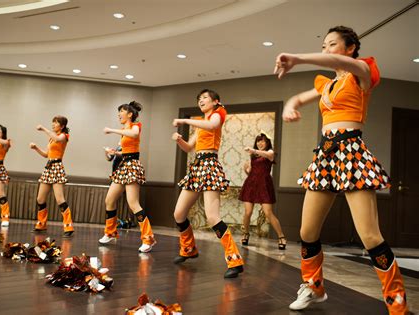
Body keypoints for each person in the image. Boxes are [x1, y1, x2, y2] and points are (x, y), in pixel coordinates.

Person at [274, 26, 408, 313]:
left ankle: (397, 304)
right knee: (307, 232)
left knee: (370, 236)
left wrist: (298, 58)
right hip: (325, 156)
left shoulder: (362, 72)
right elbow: (298, 98)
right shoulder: (327, 84)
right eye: (323, 45)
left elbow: (342, 64)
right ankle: (314, 287)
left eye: (331, 44)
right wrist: (289, 105)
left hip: (351, 154)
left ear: (350, 48)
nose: (326, 50)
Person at [171, 89, 244, 278]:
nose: (201, 101)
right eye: (199, 99)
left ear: (216, 101)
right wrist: (179, 140)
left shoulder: (219, 113)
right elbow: (189, 148)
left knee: (212, 217)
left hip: (210, 165)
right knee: (179, 214)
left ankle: (235, 260)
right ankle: (188, 249)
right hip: (197, 166)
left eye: (205, 98)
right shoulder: (200, 124)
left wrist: (185, 121)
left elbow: (212, 126)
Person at [98, 101, 156, 253]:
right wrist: (112, 152)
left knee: (133, 203)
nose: (119, 114)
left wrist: (112, 130)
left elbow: (135, 134)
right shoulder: (124, 131)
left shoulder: (136, 126)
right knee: (109, 200)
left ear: (130, 114)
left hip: (132, 166)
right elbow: (126, 151)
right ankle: (110, 232)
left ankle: (148, 239)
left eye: (121, 111)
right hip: (123, 166)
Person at [239, 132, 286, 249]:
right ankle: (246, 234)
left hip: (264, 184)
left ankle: (281, 237)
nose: (260, 143)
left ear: (267, 142)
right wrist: (246, 170)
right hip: (251, 183)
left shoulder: (270, 153)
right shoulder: (253, 156)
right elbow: (252, 171)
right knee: (248, 212)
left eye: (262, 141)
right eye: (258, 141)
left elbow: (266, 155)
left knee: (268, 213)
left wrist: (254, 150)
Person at [30, 116, 74, 237]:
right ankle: (41, 224)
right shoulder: (51, 138)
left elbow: (57, 138)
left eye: (56, 123)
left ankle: (68, 226)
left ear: (62, 126)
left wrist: (44, 129)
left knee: (60, 199)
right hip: (49, 167)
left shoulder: (64, 136)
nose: (53, 124)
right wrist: (36, 148)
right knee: (40, 199)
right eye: (53, 122)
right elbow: (46, 154)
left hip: (57, 168)